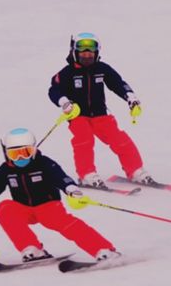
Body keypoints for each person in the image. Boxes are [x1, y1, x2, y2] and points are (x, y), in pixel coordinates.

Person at [0, 128, 116, 262]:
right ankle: (32, 249)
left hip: (49, 207)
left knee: (67, 225)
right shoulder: (6, 170)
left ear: (34, 149)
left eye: (26, 152)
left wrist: (72, 190)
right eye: (15, 154)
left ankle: (103, 249)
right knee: (4, 209)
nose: (20, 158)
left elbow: (61, 177)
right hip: (23, 208)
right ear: (6, 153)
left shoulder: (44, 163)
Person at [48, 32, 153, 188]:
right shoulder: (67, 72)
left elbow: (118, 83)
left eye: (90, 52)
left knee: (120, 140)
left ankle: (136, 171)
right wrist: (64, 102)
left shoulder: (102, 69)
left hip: (100, 114)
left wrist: (130, 97)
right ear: (74, 52)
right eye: (83, 52)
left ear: (97, 53)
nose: (87, 55)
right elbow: (54, 90)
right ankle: (87, 175)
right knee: (84, 140)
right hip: (78, 115)